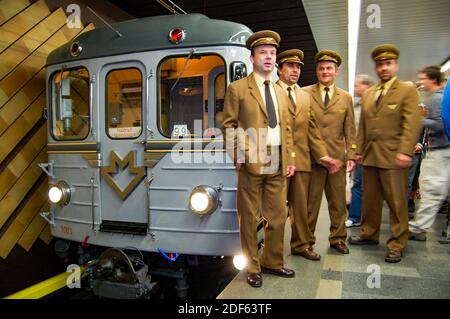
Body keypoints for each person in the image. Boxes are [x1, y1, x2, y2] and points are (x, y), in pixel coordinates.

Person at [221, 30, 296, 288]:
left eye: (272, 53)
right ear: (251, 58)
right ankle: (252, 266)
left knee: (277, 216)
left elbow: (287, 129)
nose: (268, 57)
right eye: (263, 52)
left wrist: (290, 158)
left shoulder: (280, 91)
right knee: (249, 217)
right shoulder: (238, 89)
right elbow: (229, 125)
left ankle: (272, 261)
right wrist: (237, 154)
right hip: (250, 161)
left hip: (277, 158)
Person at [349, 44, 422, 263]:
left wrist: (405, 151)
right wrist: (358, 152)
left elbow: (412, 122)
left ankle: (398, 242)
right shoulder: (370, 93)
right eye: (380, 65)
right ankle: (369, 234)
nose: (384, 68)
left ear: (396, 65)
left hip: (394, 157)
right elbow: (363, 126)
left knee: (396, 202)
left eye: (388, 64)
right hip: (370, 157)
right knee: (370, 200)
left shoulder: (407, 89)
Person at [275, 49, 342, 261]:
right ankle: (272, 253)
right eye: (290, 66)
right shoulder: (270, 91)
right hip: (277, 161)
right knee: (276, 210)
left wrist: (323, 156)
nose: (295, 71)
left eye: (297, 67)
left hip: (302, 160)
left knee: (301, 210)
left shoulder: (303, 96)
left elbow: (312, 129)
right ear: (279, 70)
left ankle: (300, 245)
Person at [303, 50, 357, 255]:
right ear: (316, 71)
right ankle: (307, 240)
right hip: (312, 159)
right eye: (321, 68)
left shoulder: (345, 98)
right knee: (311, 203)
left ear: (336, 71)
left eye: (329, 68)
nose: (325, 72)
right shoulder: (305, 93)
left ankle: (338, 238)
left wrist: (351, 155)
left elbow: (350, 128)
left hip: (337, 159)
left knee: (337, 203)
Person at [408, 66, 450, 241]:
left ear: (432, 79)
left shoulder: (438, 98)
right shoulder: (438, 97)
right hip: (441, 150)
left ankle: (418, 229)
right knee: (435, 191)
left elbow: (440, 124)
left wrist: (420, 119)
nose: (421, 82)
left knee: (432, 191)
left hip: (442, 151)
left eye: (423, 78)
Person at [346, 74, 375, 228]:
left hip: (376, 153)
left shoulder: (377, 105)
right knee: (357, 185)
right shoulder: (355, 106)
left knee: (374, 188)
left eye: (358, 85)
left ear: (367, 86)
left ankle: (370, 220)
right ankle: (355, 217)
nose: (355, 88)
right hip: (360, 153)